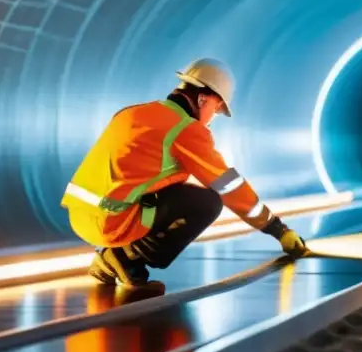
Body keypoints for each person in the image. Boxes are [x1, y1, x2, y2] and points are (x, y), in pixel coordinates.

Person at [61, 57, 308, 294]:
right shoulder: (186, 129)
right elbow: (229, 186)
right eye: (216, 107)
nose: (213, 118)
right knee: (206, 202)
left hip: (81, 215)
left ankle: (114, 256)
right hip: (114, 224)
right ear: (202, 100)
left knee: (171, 193)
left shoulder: (133, 112)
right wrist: (278, 230)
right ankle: (125, 257)